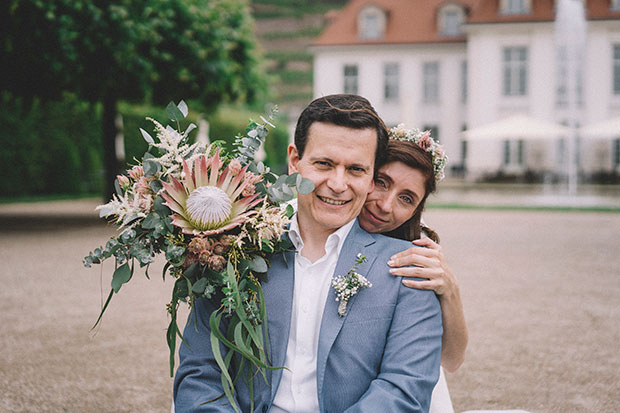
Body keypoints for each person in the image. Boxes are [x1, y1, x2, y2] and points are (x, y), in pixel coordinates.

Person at [173, 95, 443, 412]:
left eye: (356, 169)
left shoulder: (408, 268)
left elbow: (404, 391)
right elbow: (200, 376)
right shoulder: (233, 250)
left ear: (371, 178)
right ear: (294, 160)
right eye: (324, 164)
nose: (338, 184)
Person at [357, 126, 468, 412]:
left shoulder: (417, 254)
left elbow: (453, 361)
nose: (384, 205)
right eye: (381, 182)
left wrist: (450, 289)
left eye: (406, 198)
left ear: (417, 208)